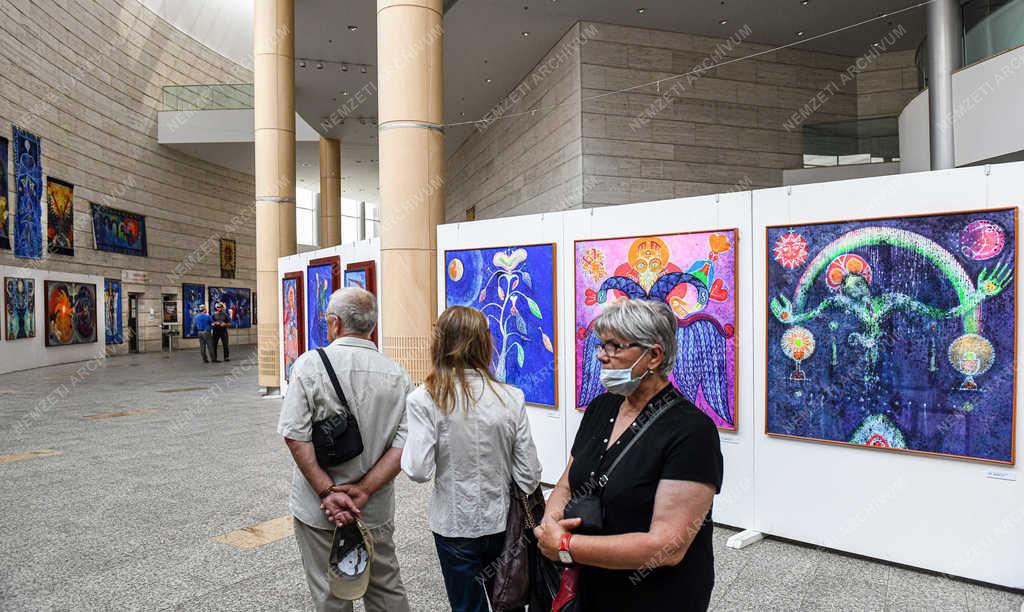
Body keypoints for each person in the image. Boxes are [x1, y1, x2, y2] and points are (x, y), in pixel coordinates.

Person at [534, 299, 723, 612]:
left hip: (654, 596)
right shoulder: (601, 408)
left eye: (614, 346)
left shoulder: (691, 432)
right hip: (591, 585)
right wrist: (552, 522)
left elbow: (667, 546)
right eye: (600, 344)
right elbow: (569, 481)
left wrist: (566, 546)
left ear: (653, 355)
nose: (601, 355)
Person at [278, 287, 412, 612]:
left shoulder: (310, 365)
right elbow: (404, 443)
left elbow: (295, 435)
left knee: (330, 594)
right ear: (371, 326)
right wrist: (364, 490)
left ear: (334, 323)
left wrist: (327, 492)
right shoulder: (397, 375)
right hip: (373, 508)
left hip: (318, 509)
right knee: (385, 590)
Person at [402, 306, 542, 612]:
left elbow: (418, 470)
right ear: (485, 344)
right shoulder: (511, 396)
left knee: (466, 606)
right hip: (503, 521)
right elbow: (529, 475)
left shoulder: (425, 399)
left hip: (454, 524)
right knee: (510, 601)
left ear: (440, 343)